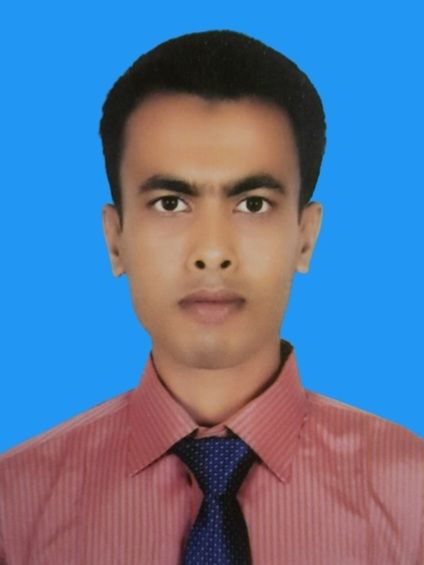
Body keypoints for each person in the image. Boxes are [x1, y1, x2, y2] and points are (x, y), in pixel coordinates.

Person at [0, 29, 422, 565]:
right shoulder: (15, 506)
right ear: (115, 239)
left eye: (253, 204)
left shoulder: (412, 498)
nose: (213, 253)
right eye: (170, 203)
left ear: (306, 236)